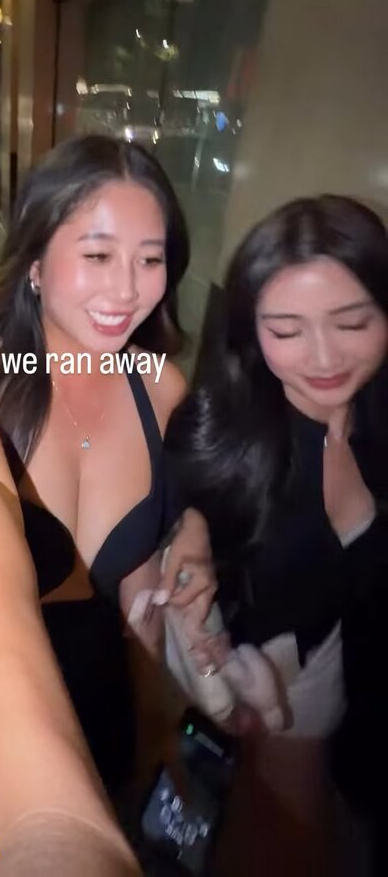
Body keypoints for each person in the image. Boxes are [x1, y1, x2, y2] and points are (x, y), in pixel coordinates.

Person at [0, 135, 190, 852]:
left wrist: (158, 737)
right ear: (34, 263)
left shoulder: (160, 390)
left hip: (114, 715)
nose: (126, 290)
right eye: (97, 255)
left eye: (149, 259)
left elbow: (141, 594)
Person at [161, 195, 388, 874]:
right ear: (251, 331)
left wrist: (361, 526)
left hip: (332, 665)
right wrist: (192, 530)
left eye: (353, 322)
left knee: (294, 827)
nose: (324, 357)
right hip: (247, 658)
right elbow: (183, 493)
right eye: (286, 330)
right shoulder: (221, 422)